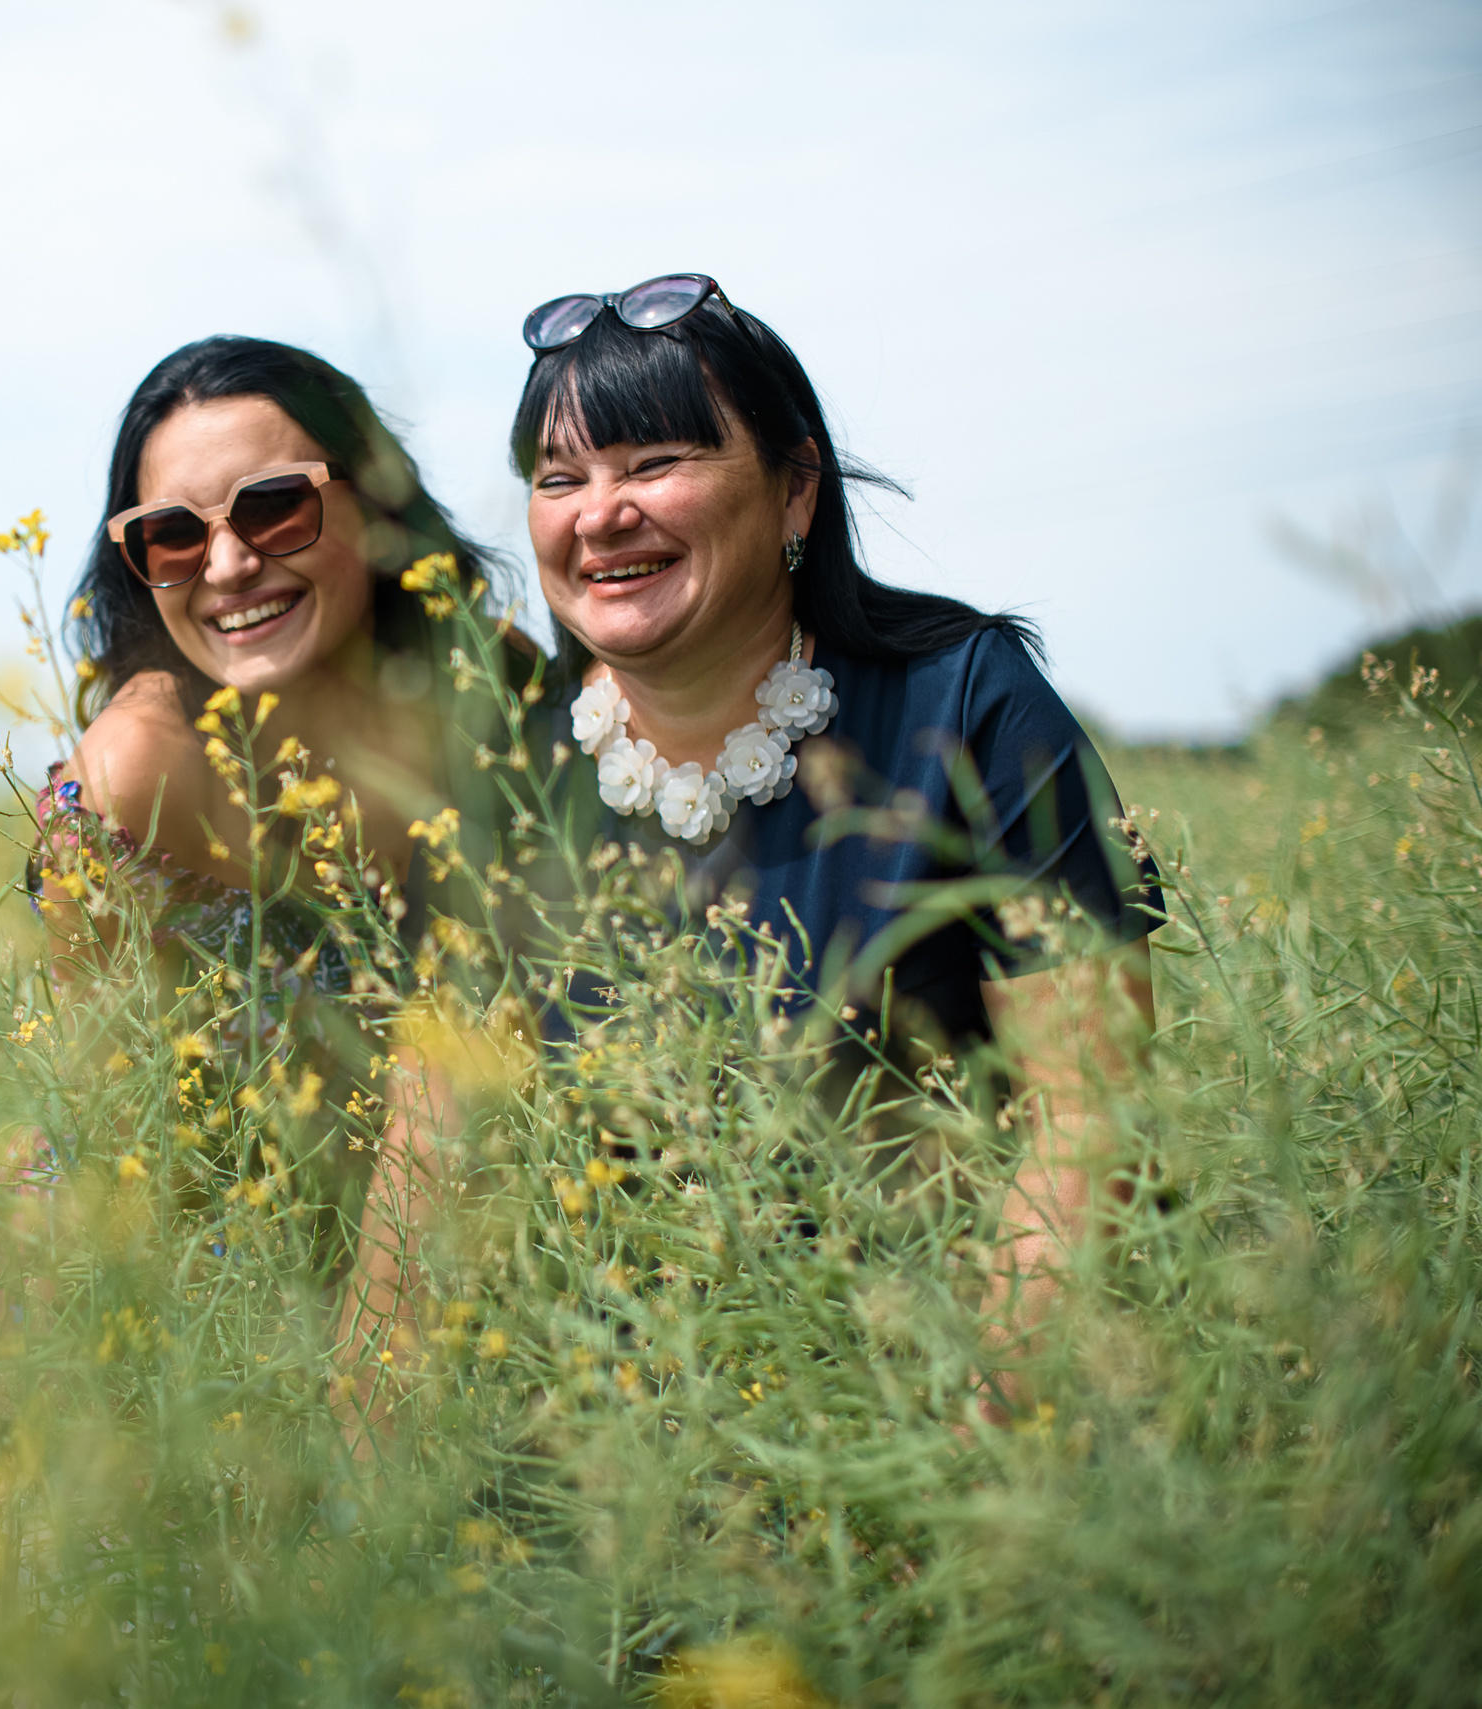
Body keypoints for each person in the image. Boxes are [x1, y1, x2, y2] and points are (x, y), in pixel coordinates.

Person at [344, 276, 1163, 1423]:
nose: (600, 514)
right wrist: (362, 1489)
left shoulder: (966, 704)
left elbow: (1084, 1118)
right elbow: (427, 1168)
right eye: (559, 478)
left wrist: (975, 1456)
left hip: (947, 1408)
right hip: (620, 1447)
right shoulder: (504, 784)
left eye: (653, 462)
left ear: (795, 489)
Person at [0, 335, 517, 1331]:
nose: (226, 564)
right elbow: (118, 1141)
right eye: (171, 534)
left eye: (274, 507)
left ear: (375, 502)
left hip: (436, 1255)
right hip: (174, 1291)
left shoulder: (483, 682)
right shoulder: (132, 781)